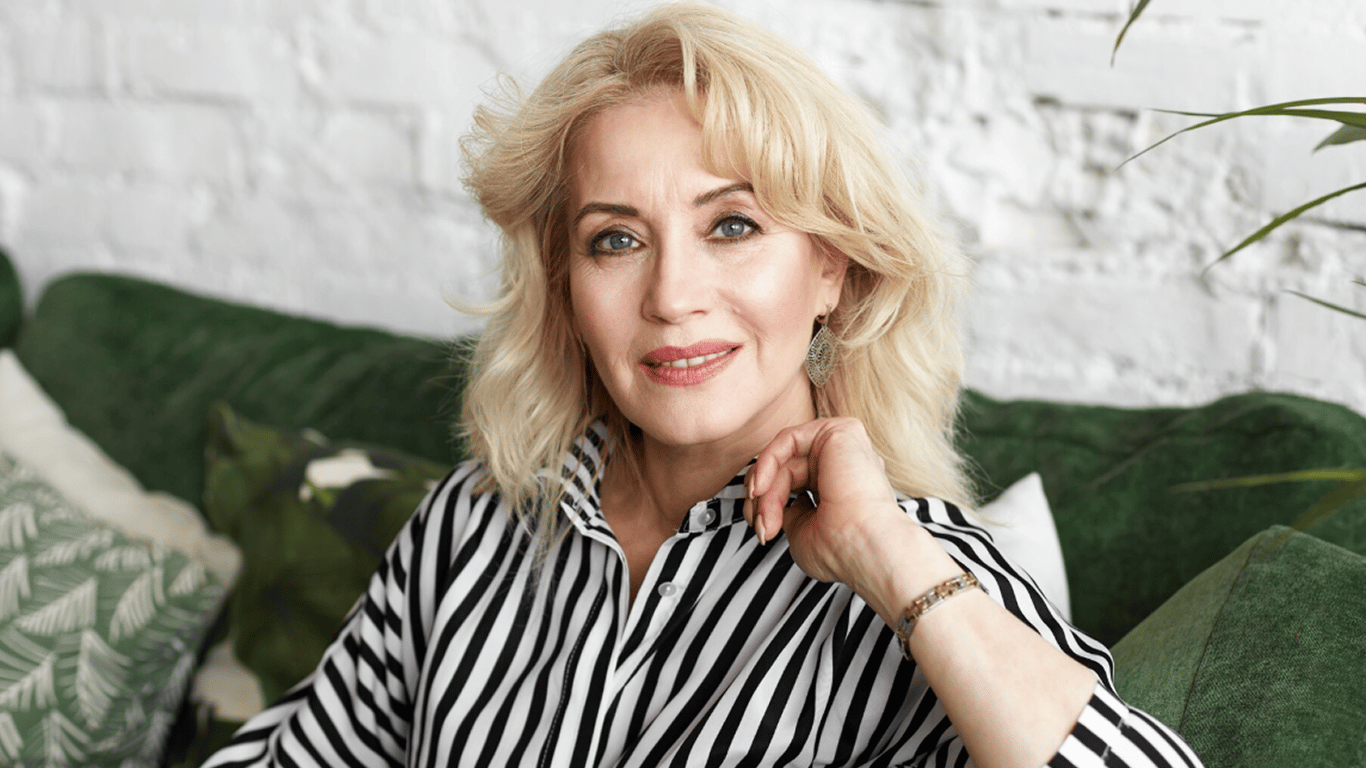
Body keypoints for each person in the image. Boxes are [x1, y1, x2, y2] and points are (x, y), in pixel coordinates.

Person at [203, 4, 1203, 767]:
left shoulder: (921, 580)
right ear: (567, 289)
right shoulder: (477, 522)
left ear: (832, 268)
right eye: (616, 240)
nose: (672, 296)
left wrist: (885, 554)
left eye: (733, 225)